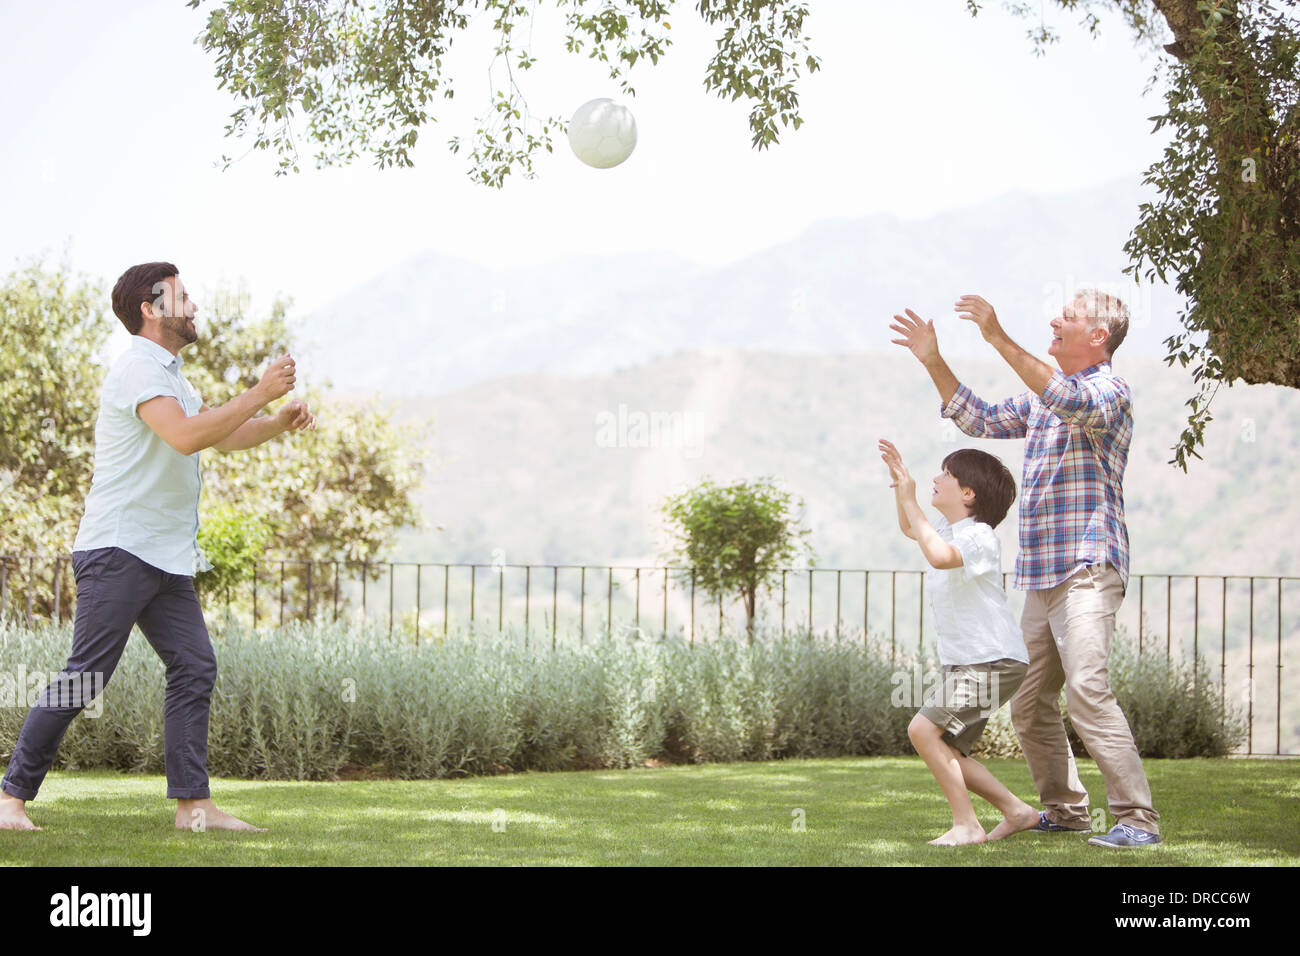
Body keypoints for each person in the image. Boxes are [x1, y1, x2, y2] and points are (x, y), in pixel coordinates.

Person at [0, 262, 316, 832]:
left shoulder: (173, 375)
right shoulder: (137, 368)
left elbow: (220, 433)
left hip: (166, 557)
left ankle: (194, 807)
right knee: (86, 676)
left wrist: (276, 419)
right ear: (151, 307)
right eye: (183, 295)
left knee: (195, 666)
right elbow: (186, 435)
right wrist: (259, 390)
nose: (193, 305)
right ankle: (9, 798)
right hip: (120, 549)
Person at [889, 290, 1160, 848]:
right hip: (1041, 578)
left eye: (1070, 318)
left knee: (1087, 688)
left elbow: (1064, 395)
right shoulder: (1041, 403)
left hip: (1087, 566)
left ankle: (1136, 820)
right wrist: (933, 360)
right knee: (1031, 703)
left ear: (1098, 337)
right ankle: (1064, 811)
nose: (1055, 320)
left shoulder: (1108, 391)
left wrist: (995, 335)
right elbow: (978, 418)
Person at [879, 439, 1040, 845]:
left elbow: (939, 556)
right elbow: (910, 528)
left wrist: (913, 497)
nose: (936, 478)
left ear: (968, 493)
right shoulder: (954, 531)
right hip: (972, 661)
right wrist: (903, 489)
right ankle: (1017, 811)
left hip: (991, 660)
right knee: (948, 745)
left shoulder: (980, 537)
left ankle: (967, 825)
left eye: (945, 474)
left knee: (922, 730)